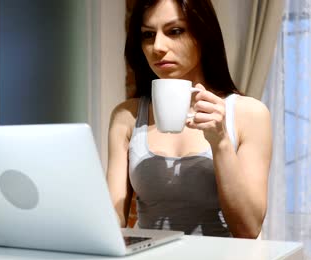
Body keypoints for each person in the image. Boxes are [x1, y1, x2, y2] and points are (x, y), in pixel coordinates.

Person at [107, 0, 272, 238]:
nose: (158, 47)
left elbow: (248, 230)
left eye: (175, 31)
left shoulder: (250, 114)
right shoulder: (126, 116)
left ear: (203, 33)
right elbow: (115, 218)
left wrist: (221, 142)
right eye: (148, 35)